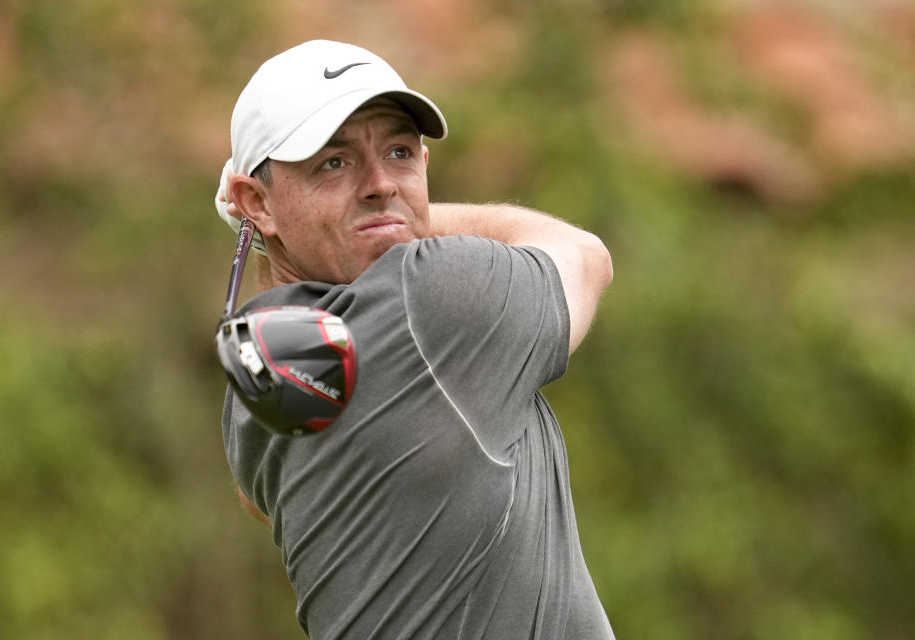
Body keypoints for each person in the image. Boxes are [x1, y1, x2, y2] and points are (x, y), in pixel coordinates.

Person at [215, 39, 615, 639]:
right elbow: (584, 256)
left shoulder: (256, 361)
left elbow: (254, 501)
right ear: (256, 200)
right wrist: (408, 215)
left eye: (399, 152)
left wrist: (287, 221)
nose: (380, 183)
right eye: (334, 162)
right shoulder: (434, 301)